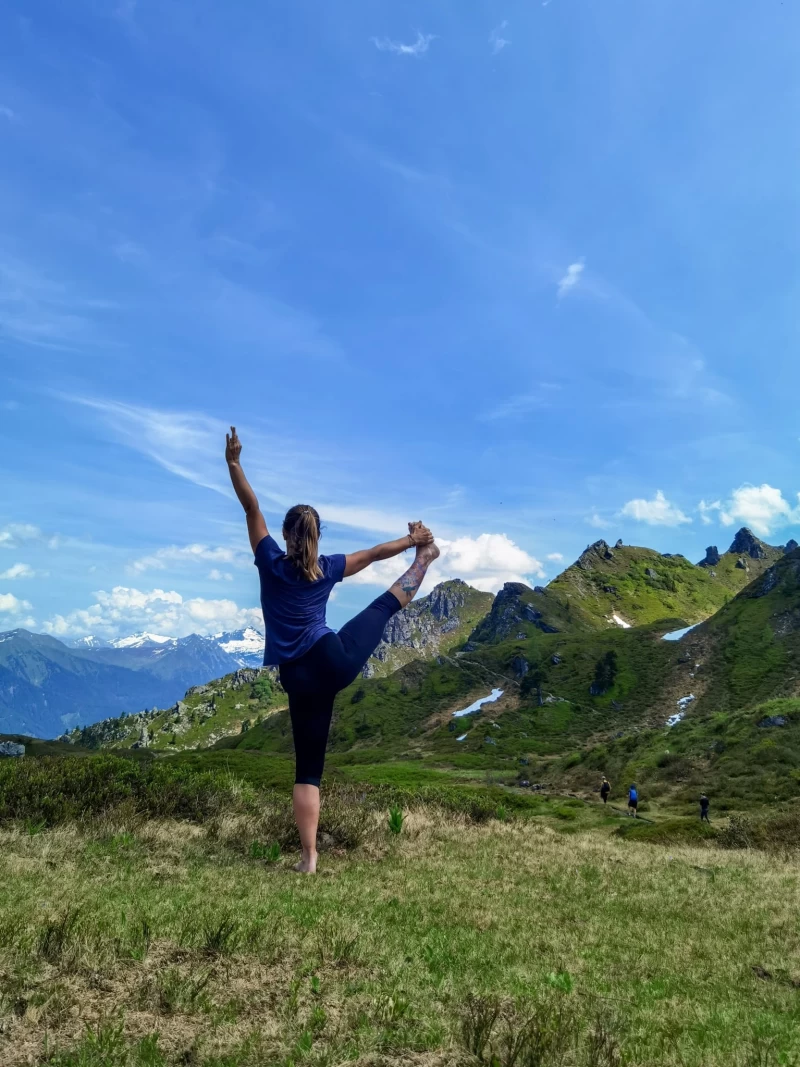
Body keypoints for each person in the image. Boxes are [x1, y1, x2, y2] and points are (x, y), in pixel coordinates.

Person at [225, 427, 439, 873]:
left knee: (308, 770)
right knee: (381, 608)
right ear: (319, 535)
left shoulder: (269, 560)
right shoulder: (326, 567)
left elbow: (251, 507)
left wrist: (234, 463)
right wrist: (412, 542)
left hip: (297, 679)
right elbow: (377, 553)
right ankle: (426, 560)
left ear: (285, 535)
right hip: (332, 661)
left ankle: (309, 859)